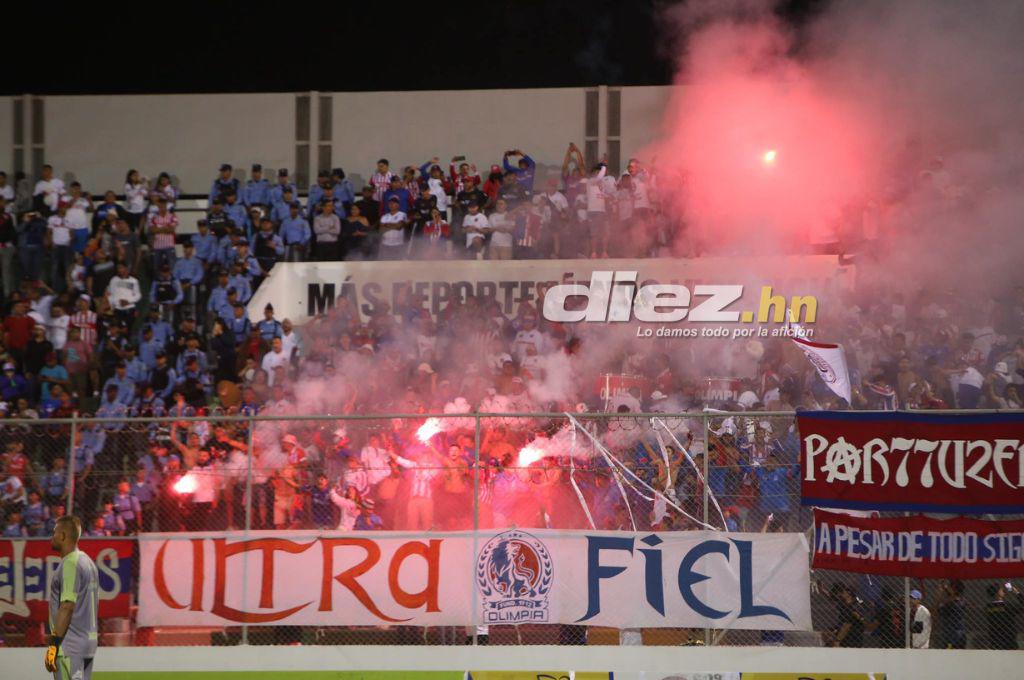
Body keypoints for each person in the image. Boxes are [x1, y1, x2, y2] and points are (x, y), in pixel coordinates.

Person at [45, 515, 99, 679]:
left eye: (54, 532)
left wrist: (53, 645)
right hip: (88, 642)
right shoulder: (88, 562)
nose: (52, 536)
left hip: (69, 645)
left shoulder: (70, 563)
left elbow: (67, 606)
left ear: (62, 536)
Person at [985, 581, 1023, 649]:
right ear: (998, 593)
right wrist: (1017, 593)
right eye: (1001, 589)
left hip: (994, 639)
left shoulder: (987, 607)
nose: (1003, 591)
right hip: (1009, 638)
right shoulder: (1007, 606)